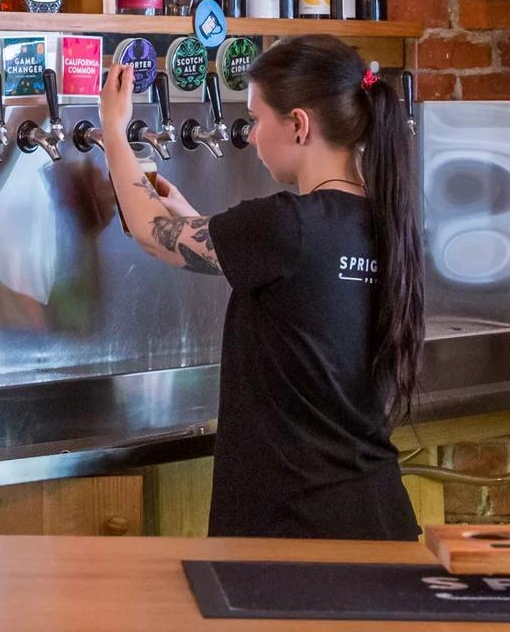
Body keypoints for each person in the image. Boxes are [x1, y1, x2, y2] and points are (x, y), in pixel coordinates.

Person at [98, 34, 423, 541]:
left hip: (294, 531)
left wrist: (114, 132)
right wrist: (186, 212)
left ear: (299, 125)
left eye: (257, 119)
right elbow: (277, 276)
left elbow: (149, 235)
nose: (249, 136)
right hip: (376, 517)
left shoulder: (285, 225)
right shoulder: (386, 224)